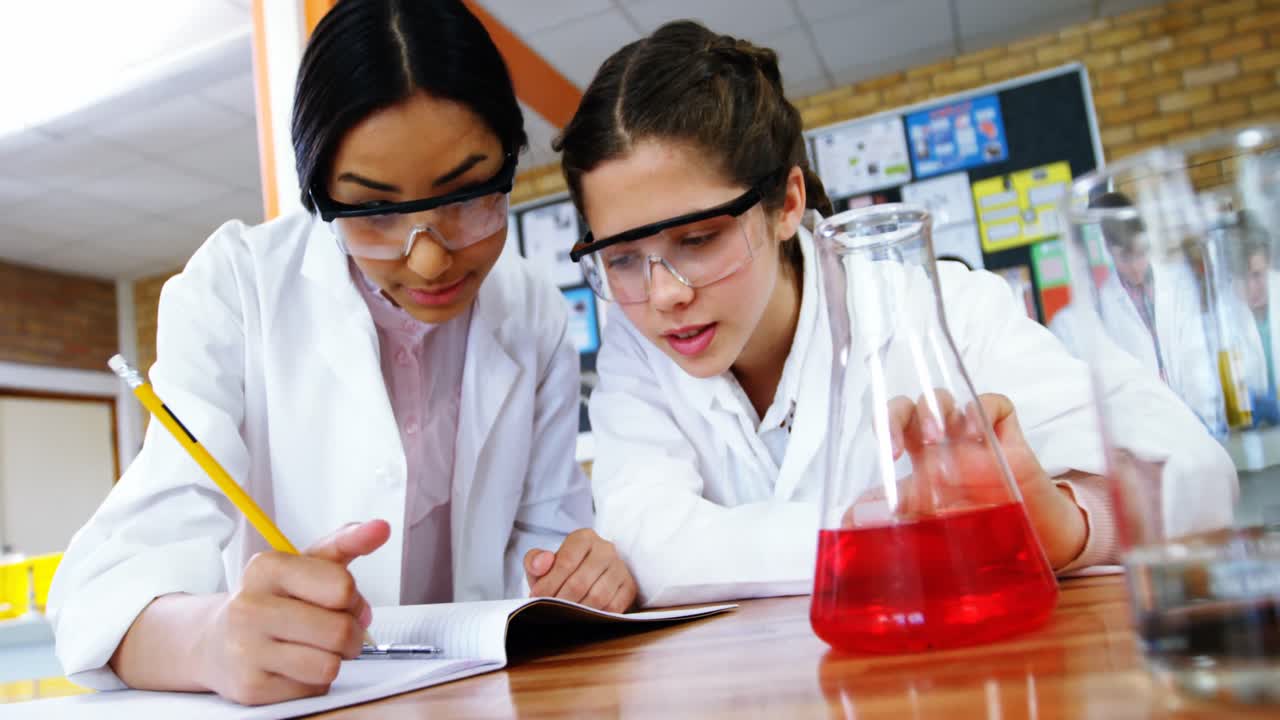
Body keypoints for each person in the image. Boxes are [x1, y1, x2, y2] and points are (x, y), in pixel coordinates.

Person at [47, 0, 634, 705]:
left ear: (510, 161)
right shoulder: (237, 289)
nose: (427, 260)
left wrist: (573, 573)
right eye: (376, 213)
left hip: (471, 694)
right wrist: (209, 641)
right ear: (321, 199)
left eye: (468, 195)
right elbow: (100, 591)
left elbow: (546, 533)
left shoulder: (532, 309)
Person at [553, 21, 1235, 605]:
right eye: (621, 258)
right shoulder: (635, 344)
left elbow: (1188, 470)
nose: (664, 292)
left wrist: (1062, 524)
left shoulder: (925, 302)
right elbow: (646, 540)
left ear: (787, 203)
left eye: (698, 240)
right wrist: (900, 535)